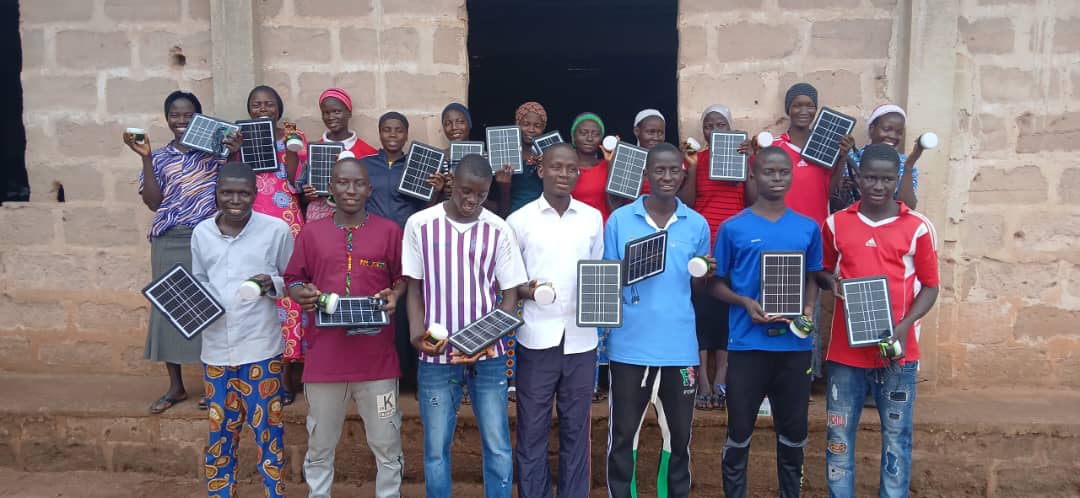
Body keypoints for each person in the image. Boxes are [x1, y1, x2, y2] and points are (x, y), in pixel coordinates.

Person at [403, 154, 528, 497]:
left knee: (498, 445)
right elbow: (414, 288)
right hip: (436, 356)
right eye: (465, 191)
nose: (472, 200)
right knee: (435, 448)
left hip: (489, 356)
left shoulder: (499, 229)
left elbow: (510, 297)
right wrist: (415, 334)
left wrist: (484, 341)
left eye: (481, 194)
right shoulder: (419, 224)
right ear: (451, 184)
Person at [710, 147, 831, 498]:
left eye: (783, 172)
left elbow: (812, 275)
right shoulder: (733, 228)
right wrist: (744, 302)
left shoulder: (807, 228)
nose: (777, 178)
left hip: (794, 347)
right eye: (769, 172)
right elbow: (715, 285)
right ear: (753, 176)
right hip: (747, 346)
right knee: (738, 434)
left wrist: (808, 307)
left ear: (791, 176)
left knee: (793, 435)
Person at [821, 144, 939, 498]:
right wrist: (832, 284)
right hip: (846, 354)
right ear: (858, 177)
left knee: (897, 437)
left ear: (897, 180)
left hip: (897, 352)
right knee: (839, 437)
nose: (878, 185)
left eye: (887, 179)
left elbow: (931, 287)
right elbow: (822, 270)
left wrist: (904, 326)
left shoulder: (918, 227)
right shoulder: (836, 223)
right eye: (870, 177)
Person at [286, 157, 406, 498]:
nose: (350, 190)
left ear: (369, 189)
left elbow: (403, 279)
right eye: (342, 182)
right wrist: (301, 293)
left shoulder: (389, 232)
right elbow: (293, 278)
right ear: (330, 188)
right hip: (325, 360)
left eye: (358, 184)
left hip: (377, 362)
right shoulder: (312, 233)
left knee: (387, 441)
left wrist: (395, 294)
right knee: (320, 443)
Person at [604, 143, 712, 498]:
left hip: (679, 348)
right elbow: (606, 279)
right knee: (623, 438)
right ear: (645, 174)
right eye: (659, 170)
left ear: (683, 174)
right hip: (629, 347)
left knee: (678, 439)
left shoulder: (696, 224)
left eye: (674, 170)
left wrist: (704, 273)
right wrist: (633, 266)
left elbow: (696, 287)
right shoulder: (620, 220)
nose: (667, 177)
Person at [123, 90, 240, 414]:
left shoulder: (215, 156)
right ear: (166, 119)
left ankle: (212, 383)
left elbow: (231, 191)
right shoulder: (159, 157)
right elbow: (153, 202)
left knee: (207, 307)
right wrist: (145, 157)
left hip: (206, 238)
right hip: (169, 239)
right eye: (175, 115)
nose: (181, 121)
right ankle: (175, 386)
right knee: (169, 308)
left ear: (199, 118)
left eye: (189, 115)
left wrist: (233, 153)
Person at [506, 144, 604, 498]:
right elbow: (508, 282)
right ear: (541, 171)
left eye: (571, 168)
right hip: (536, 339)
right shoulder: (519, 221)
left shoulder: (592, 219)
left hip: (582, 340)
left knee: (577, 429)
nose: (564, 174)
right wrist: (528, 291)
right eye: (556, 167)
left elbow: (598, 273)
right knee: (532, 429)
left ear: (579, 173)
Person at [190, 162, 292, 498]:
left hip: (260, 349)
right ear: (216, 193)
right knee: (220, 433)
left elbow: (292, 280)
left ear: (255, 193)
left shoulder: (276, 231)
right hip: (216, 351)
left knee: (268, 432)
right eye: (227, 192)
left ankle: (274, 492)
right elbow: (199, 280)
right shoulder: (201, 233)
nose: (235, 200)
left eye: (244, 193)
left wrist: (272, 283)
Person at [766, 83, 854, 381]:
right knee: (779, 299)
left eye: (810, 106)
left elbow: (832, 191)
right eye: (797, 105)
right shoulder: (775, 147)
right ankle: (779, 371)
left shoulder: (826, 147)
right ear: (787, 109)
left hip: (814, 235)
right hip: (780, 235)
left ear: (817, 110)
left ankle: (808, 371)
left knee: (810, 303)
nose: (803, 111)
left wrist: (842, 158)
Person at [363, 110, 445, 394]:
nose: (393, 135)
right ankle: (383, 375)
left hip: (409, 246)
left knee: (409, 308)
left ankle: (411, 376)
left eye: (399, 130)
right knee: (381, 307)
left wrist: (436, 193)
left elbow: (425, 211)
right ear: (379, 132)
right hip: (374, 246)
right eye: (387, 129)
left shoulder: (419, 165)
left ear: (407, 134)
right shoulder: (365, 165)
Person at [679, 104, 750, 411]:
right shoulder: (698, 159)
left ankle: (722, 373)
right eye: (709, 125)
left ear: (730, 128)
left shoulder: (744, 158)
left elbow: (753, 201)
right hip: (703, 243)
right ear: (703, 130)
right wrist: (693, 167)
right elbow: (687, 202)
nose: (715, 129)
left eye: (721, 124)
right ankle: (702, 380)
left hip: (735, 245)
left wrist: (748, 164)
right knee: (701, 308)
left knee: (728, 309)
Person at [245, 84, 309, 405]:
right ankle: (262, 370)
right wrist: (234, 150)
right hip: (253, 228)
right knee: (259, 293)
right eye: (256, 104)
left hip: (287, 225)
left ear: (279, 109)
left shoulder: (293, 139)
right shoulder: (241, 141)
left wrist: (293, 148)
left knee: (288, 295)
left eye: (269, 104)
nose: (262, 109)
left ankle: (288, 374)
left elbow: (297, 182)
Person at [303, 87, 379, 222]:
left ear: (349, 113)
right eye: (326, 113)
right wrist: (308, 195)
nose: (331, 117)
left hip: (357, 217)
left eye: (337, 111)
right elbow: (301, 195)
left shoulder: (368, 153)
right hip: (320, 217)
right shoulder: (313, 152)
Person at [832, 104, 922, 212]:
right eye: (887, 129)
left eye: (899, 132)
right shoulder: (852, 159)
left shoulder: (904, 164)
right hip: (853, 220)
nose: (893, 136)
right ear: (871, 129)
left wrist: (908, 167)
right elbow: (834, 201)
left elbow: (908, 208)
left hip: (889, 222)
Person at [506, 101, 549, 215]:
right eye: (526, 124)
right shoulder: (508, 154)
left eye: (537, 126)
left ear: (543, 127)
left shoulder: (550, 155)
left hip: (544, 215)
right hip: (514, 214)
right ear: (517, 124)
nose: (531, 129)